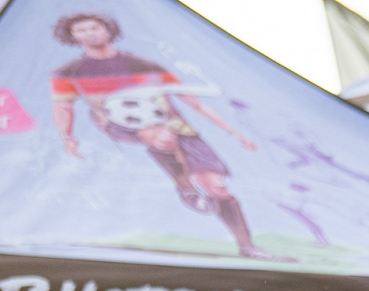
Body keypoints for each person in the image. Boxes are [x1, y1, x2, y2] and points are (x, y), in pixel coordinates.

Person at [49, 12, 271, 259]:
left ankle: (247, 246)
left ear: (108, 30)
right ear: (72, 36)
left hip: (177, 127)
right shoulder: (68, 72)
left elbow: (193, 102)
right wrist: (67, 137)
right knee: (160, 134)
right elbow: (63, 106)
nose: (90, 34)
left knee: (216, 187)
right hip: (121, 125)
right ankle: (185, 186)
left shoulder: (145, 65)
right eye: (81, 30)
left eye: (95, 27)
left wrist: (235, 134)